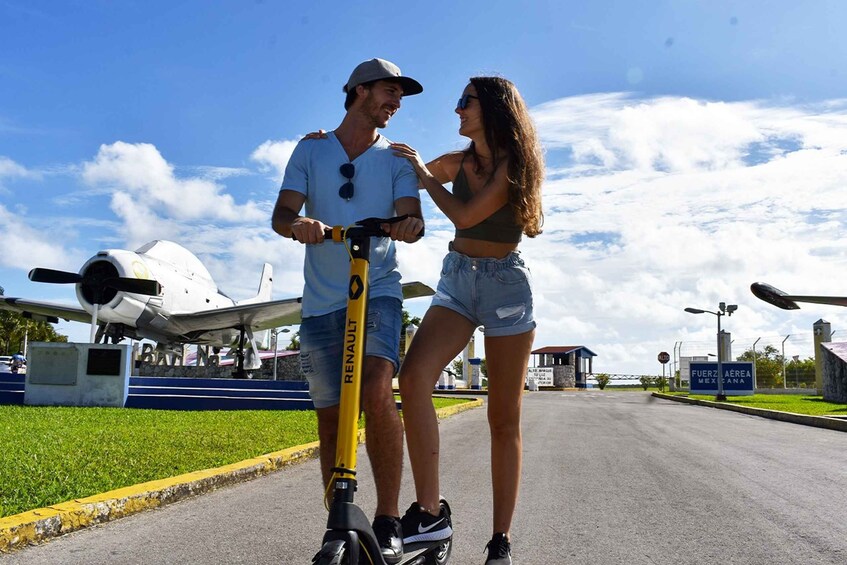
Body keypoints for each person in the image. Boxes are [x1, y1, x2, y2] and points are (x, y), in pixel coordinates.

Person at [270, 58, 424, 564]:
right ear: (358, 91)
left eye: (400, 96)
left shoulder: (398, 159)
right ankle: (337, 521)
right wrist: (301, 225)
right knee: (331, 416)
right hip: (321, 300)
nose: (396, 103)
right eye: (388, 91)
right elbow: (282, 214)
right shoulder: (310, 149)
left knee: (378, 387)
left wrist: (405, 226)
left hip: (377, 286)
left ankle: (386, 518)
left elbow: (413, 217)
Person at [390, 76, 544, 565]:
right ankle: (431, 513)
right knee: (413, 378)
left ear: (494, 110)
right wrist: (337, 147)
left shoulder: (512, 166)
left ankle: (500, 542)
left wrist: (424, 173)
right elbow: (393, 176)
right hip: (458, 280)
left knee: (503, 420)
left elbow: (466, 214)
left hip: (505, 289)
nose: (456, 111)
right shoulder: (457, 162)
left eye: (465, 102)